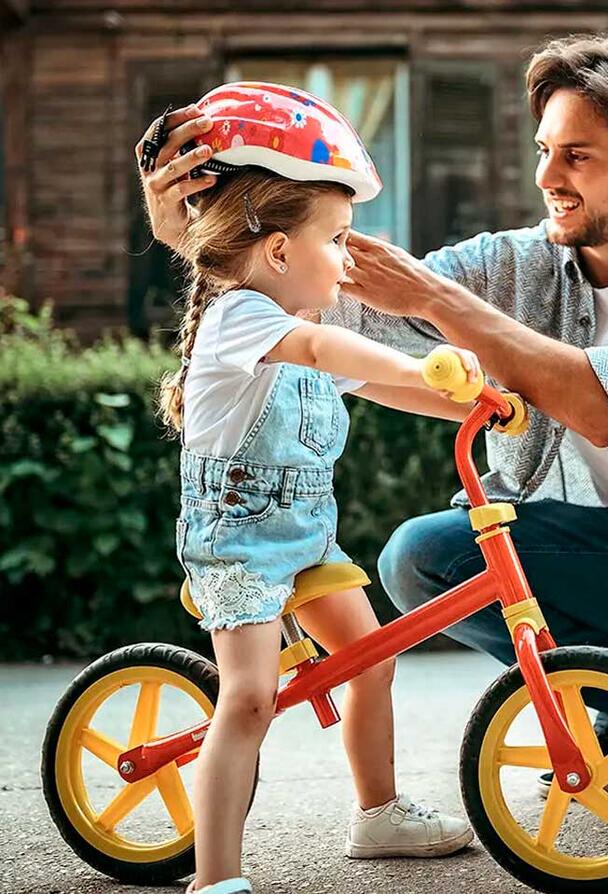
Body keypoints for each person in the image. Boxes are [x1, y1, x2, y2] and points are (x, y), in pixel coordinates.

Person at [138, 35, 608, 837]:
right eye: (545, 151)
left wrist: (444, 305)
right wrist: (204, 242)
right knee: (422, 557)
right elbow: (306, 302)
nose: (548, 178)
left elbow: (605, 404)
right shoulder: (512, 264)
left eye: (578, 157)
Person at [151, 82, 477, 894]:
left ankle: (378, 814)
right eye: (336, 237)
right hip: (236, 549)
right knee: (252, 697)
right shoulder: (243, 320)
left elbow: (381, 388)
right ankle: (216, 876)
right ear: (278, 251)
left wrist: (473, 400)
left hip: (303, 540)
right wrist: (418, 359)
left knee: (370, 660)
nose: (349, 255)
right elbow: (338, 358)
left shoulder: (296, 328)